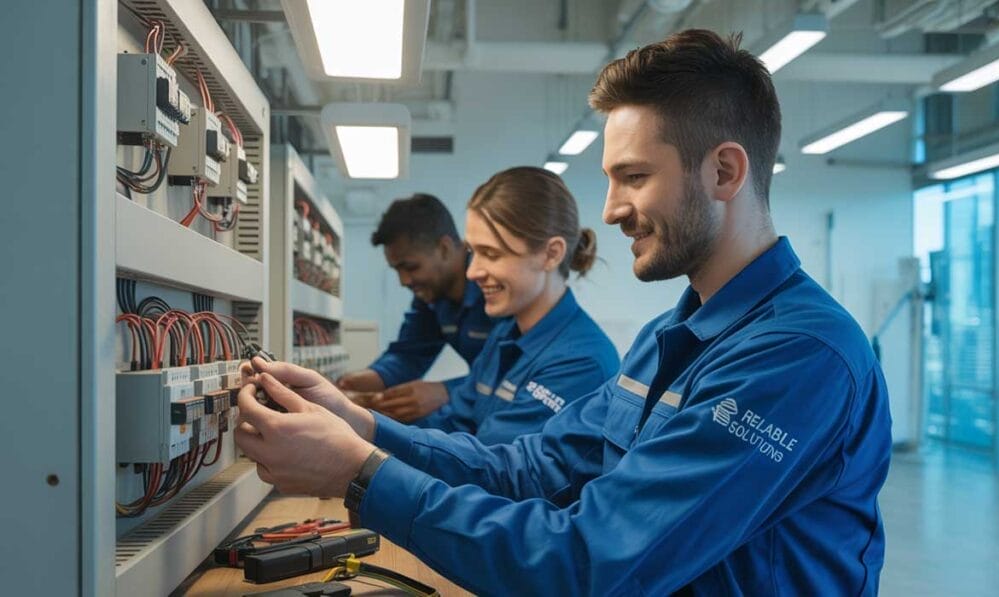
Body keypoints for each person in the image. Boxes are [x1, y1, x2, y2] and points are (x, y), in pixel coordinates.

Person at [236, 29, 892, 595]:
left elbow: (591, 561)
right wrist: (361, 426)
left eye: (633, 177)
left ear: (723, 173)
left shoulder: (801, 355)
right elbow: (535, 466)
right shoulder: (669, 337)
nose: (607, 210)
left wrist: (357, 472)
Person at [407, 166, 619, 444]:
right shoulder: (505, 334)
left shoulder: (581, 363)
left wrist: (372, 458)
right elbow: (455, 420)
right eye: (473, 252)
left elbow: (496, 470)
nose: (472, 272)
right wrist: (370, 433)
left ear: (551, 254)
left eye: (491, 254)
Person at [337, 193, 497, 423]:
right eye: (396, 270)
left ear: (444, 248)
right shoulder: (433, 298)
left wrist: (447, 391)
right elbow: (409, 353)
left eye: (410, 267)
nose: (404, 281)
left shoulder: (494, 289)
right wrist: (367, 379)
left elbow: (514, 372)